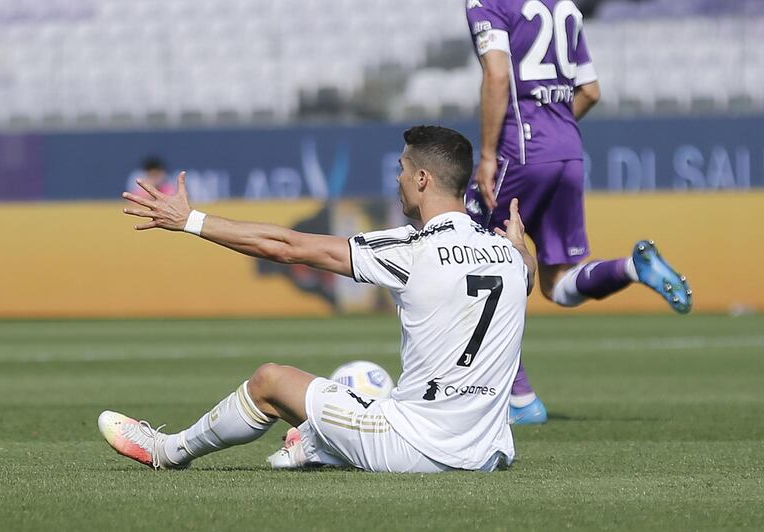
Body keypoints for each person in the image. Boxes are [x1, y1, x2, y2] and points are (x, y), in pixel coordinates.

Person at [98, 126, 536, 473]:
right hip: (486, 452)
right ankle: (316, 444)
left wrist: (190, 219)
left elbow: (286, 247)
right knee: (374, 405)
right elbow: (529, 276)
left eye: (402, 169)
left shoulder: (413, 250)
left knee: (271, 380)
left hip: (418, 448)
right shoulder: (509, 257)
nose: (398, 179)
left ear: (423, 178)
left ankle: (166, 450)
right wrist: (522, 246)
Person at [464, 0, 692, 424]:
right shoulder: (562, 4)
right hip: (568, 150)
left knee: (468, 261)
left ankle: (519, 400)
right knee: (558, 283)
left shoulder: (489, 2)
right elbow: (591, 91)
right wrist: (556, 131)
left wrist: (490, 154)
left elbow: (497, 75)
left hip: (521, 148)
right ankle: (631, 269)